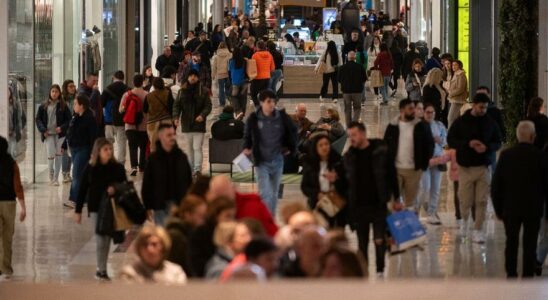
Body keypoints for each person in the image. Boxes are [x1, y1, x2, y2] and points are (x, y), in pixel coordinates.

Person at [491, 121, 548, 278]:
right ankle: (528, 275)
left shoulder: (506, 155)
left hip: (511, 208)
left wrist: (498, 209)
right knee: (530, 244)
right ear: (532, 136)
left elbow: (496, 186)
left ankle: (511, 273)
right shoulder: (540, 156)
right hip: (533, 208)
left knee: (511, 242)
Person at [344, 122, 400, 276]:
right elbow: (346, 180)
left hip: (378, 203)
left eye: (354, 135)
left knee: (379, 239)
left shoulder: (380, 151)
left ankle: (380, 270)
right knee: (362, 243)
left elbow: (391, 174)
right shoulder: (350, 155)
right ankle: (364, 272)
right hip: (359, 206)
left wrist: (396, 197)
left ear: (363, 134)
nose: (352, 139)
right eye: (350, 136)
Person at [447, 93, 502, 243]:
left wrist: (487, 147)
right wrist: (468, 144)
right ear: (474, 105)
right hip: (465, 167)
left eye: (485, 107)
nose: (483, 110)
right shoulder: (461, 122)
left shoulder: (490, 123)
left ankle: (478, 229)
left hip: (483, 167)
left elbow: (498, 141)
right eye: (481, 107)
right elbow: (451, 139)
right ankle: (465, 222)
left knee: (482, 200)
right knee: (465, 200)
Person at [74, 138, 127, 281]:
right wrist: (78, 211)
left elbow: (125, 187)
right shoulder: (91, 167)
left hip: (112, 208)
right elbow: (82, 189)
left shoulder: (118, 168)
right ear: (98, 151)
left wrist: (114, 189)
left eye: (110, 149)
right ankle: (101, 269)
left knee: (107, 238)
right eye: (105, 149)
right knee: (100, 238)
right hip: (96, 208)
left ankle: (102, 269)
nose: (109, 152)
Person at [243, 89, 297, 215]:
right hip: (261, 163)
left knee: (274, 194)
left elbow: (293, 131)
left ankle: (270, 219)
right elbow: (247, 135)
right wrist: (247, 147)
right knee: (264, 193)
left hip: (278, 161)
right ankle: (266, 221)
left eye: (273, 101)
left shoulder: (282, 118)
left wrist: (290, 147)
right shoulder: (254, 119)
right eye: (268, 101)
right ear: (261, 103)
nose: (272, 104)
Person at [384, 99, 435, 209]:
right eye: (410, 109)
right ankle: (395, 225)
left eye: (414, 108)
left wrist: (423, 165)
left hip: (413, 170)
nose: (414, 111)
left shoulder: (421, 126)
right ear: (402, 110)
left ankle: (411, 224)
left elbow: (429, 145)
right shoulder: (392, 126)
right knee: (393, 200)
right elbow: (385, 146)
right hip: (395, 169)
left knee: (411, 203)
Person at [142, 124, 192, 226]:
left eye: (174, 134)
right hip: (160, 205)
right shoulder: (153, 159)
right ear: (160, 137)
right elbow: (147, 184)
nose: (173, 137)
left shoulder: (182, 157)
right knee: (163, 236)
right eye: (169, 135)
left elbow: (189, 181)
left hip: (179, 205)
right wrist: (147, 207)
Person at [301, 134, 347, 228]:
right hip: (318, 203)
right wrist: (317, 194)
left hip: (336, 203)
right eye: (321, 145)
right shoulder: (310, 164)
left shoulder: (338, 162)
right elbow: (305, 186)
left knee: (335, 234)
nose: (324, 147)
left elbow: (347, 183)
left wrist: (336, 180)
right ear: (315, 148)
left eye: (326, 144)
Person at [173, 69, 212, 176]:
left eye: (195, 75)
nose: (193, 77)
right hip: (186, 124)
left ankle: (197, 169)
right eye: (191, 76)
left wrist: (202, 115)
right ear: (187, 77)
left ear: (198, 77)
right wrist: (176, 117)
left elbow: (208, 106)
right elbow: (177, 106)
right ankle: (190, 168)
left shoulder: (203, 91)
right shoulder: (182, 91)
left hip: (199, 125)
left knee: (197, 147)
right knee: (189, 148)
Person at [120, 226, 187, 285]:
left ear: (164, 247)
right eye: (145, 245)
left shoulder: (176, 272)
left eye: (154, 244)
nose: (149, 249)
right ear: (139, 249)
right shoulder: (129, 273)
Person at [63, 95, 98, 208]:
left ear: (82, 106)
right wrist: (64, 145)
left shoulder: (89, 118)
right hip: (73, 149)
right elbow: (69, 132)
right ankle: (86, 198)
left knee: (76, 174)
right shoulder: (75, 116)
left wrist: (93, 152)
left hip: (83, 149)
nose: (74, 106)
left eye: (75, 104)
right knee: (82, 175)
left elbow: (93, 137)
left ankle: (74, 200)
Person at [416, 103, 447, 224]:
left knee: (436, 189)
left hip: (437, 159)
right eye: (427, 112)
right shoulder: (419, 127)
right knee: (425, 187)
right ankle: (416, 211)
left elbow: (445, 141)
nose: (430, 114)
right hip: (425, 161)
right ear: (424, 113)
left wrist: (441, 140)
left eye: (432, 112)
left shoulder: (439, 126)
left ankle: (432, 212)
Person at [189, 197, 236, 277]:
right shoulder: (201, 233)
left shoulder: (233, 233)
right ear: (215, 216)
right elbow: (196, 263)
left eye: (233, 216)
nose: (231, 220)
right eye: (227, 216)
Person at [0, 136, 26, 279]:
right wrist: (23, 207)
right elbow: (18, 186)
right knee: (7, 238)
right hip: (9, 204)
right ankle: (7, 269)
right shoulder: (12, 163)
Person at [35, 84, 72, 186]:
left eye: (56, 91)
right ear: (50, 93)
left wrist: (61, 128)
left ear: (59, 93)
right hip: (48, 135)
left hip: (60, 135)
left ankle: (56, 178)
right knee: (51, 155)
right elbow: (38, 119)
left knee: (58, 155)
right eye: (53, 91)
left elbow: (69, 120)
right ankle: (51, 174)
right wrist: (43, 130)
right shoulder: (43, 106)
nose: (54, 93)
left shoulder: (63, 106)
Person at [165, 195, 208, 276]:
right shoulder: (176, 236)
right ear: (187, 215)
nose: (203, 221)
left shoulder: (193, 234)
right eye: (200, 216)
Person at [119, 74, 149, 176]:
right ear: (143, 82)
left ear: (133, 82)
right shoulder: (147, 94)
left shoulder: (127, 95)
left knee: (132, 147)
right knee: (143, 146)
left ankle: (133, 167)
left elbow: (121, 110)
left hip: (130, 125)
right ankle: (142, 167)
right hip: (143, 126)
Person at [101, 70, 129, 167]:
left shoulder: (107, 89)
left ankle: (110, 162)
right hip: (122, 120)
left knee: (109, 142)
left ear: (114, 77)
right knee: (121, 143)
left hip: (109, 120)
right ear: (123, 78)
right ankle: (121, 163)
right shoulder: (127, 89)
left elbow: (101, 103)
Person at [143, 78, 174, 153]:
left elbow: (145, 109)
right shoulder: (168, 93)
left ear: (153, 85)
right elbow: (172, 107)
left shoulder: (148, 96)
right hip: (166, 121)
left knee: (153, 146)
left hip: (152, 123)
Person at [338, 51, 367, 125]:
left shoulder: (342, 67)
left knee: (347, 109)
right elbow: (364, 79)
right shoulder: (360, 67)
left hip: (346, 91)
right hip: (357, 91)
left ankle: (348, 126)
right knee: (357, 108)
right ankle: (354, 124)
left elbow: (339, 79)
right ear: (355, 58)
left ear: (347, 57)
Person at [61, 80, 77, 182]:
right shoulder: (62, 100)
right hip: (65, 127)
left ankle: (68, 172)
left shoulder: (77, 98)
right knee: (65, 151)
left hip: (74, 127)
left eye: (73, 86)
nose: (73, 88)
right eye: (70, 86)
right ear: (66, 88)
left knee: (71, 150)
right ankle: (64, 173)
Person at [250, 41, 275, 107]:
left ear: (258, 47)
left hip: (257, 78)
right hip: (267, 78)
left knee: (253, 94)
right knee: (264, 95)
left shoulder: (255, 55)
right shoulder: (269, 55)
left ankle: (258, 106)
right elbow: (272, 68)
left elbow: (252, 68)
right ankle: (264, 107)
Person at [447, 60, 468, 127]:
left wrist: (451, 94)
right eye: (452, 65)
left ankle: (450, 134)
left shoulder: (460, 75)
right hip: (455, 99)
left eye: (455, 65)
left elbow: (460, 88)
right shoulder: (456, 74)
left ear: (459, 66)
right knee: (457, 119)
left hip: (458, 100)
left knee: (451, 118)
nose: (453, 66)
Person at [228, 47, 249, 116]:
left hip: (235, 83)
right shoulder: (244, 61)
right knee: (243, 98)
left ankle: (238, 111)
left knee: (234, 97)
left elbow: (229, 72)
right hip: (244, 82)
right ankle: (243, 112)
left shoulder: (231, 61)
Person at [211, 42, 233, 107]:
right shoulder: (230, 55)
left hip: (220, 75)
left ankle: (222, 103)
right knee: (228, 88)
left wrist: (213, 75)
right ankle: (229, 99)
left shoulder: (216, 56)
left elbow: (214, 67)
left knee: (221, 89)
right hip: (228, 74)